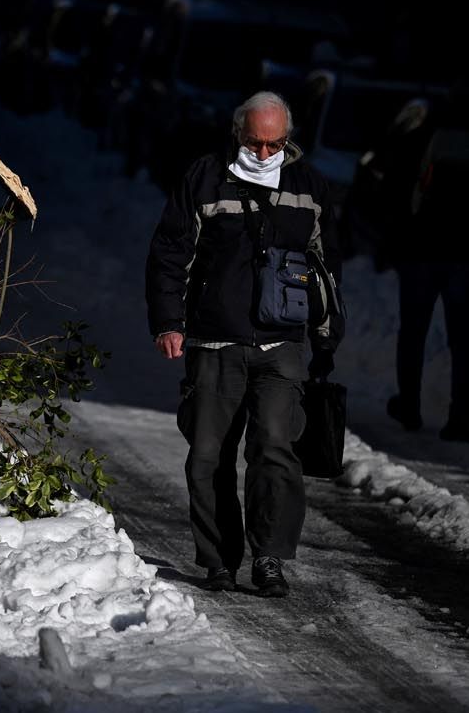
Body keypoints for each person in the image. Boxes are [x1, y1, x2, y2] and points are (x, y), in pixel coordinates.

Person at [145, 91, 344, 598]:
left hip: (282, 344)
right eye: (254, 143)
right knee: (208, 454)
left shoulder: (309, 186)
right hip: (214, 340)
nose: (263, 153)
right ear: (238, 133)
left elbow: (326, 266)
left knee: (275, 448)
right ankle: (218, 559)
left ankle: (270, 556)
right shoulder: (204, 177)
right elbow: (171, 251)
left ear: (287, 139)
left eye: (274, 144)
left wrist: (326, 334)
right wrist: (169, 321)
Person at [380, 84, 469, 442]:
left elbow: (400, 185)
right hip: (464, 253)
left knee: (413, 331)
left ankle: (410, 406)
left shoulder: (426, 132)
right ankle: (461, 416)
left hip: (421, 248)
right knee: (463, 339)